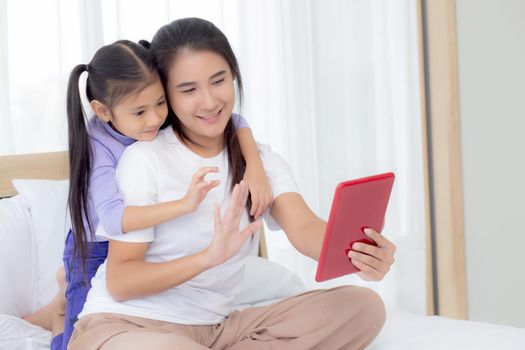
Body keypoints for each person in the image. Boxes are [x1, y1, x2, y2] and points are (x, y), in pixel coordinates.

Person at [67, 18, 396, 350]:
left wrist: (359, 254)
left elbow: (306, 228)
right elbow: (122, 282)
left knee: (363, 307)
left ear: (234, 76)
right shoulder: (145, 158)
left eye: (218, 80)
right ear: (166, 94)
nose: (209, 102)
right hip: (127, 327)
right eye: (188, 90)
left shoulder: (260, 161)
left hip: (217, 331)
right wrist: (207, 258)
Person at [23, 39, 272, 350]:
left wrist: (256, 167)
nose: (155, 118)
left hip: (137, 243)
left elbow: (233, 122)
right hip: (96, 245)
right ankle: (60, 309)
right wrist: (182, 205)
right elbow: (114, 219)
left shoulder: (152, 118)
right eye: (140, 111)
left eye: (160, 103)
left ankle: (61, 294)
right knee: (74, 338)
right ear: (103, 111)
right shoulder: (98, 148)